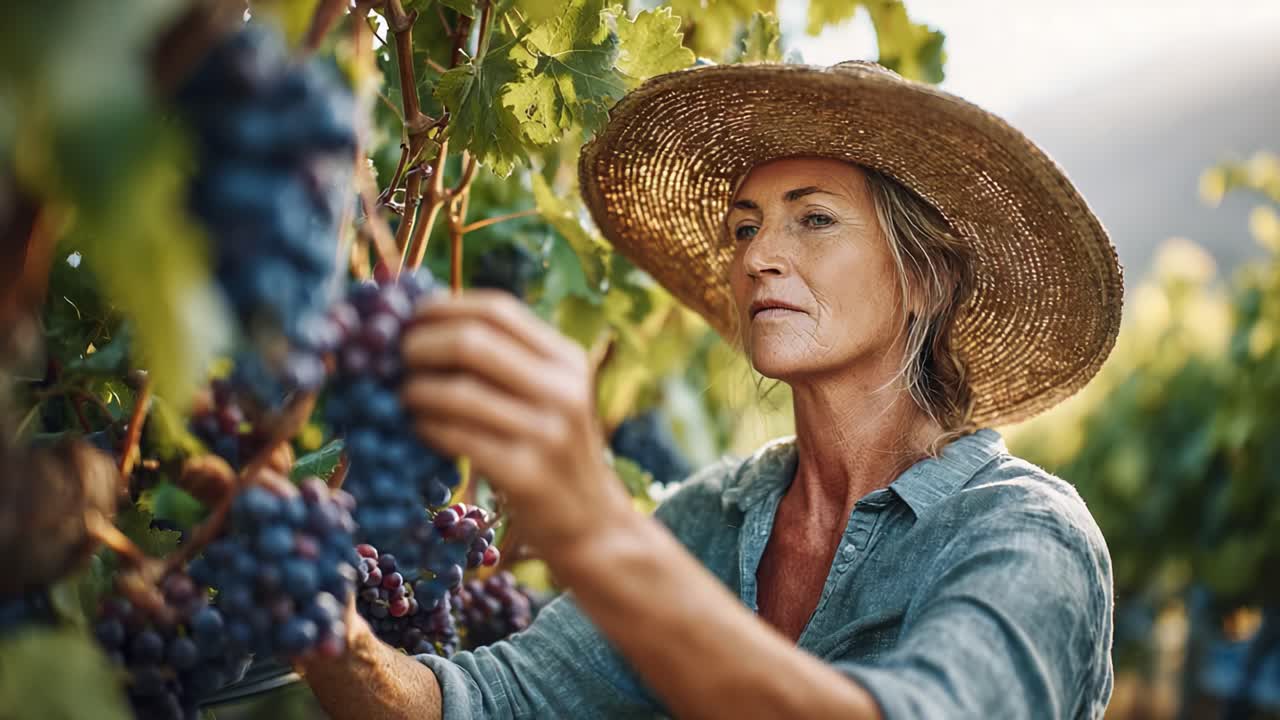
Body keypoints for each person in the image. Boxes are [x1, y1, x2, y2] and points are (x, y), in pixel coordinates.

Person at [299, 60, 1124, 719]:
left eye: (814, 218)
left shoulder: (1025, 537)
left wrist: (594, 529)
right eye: (743, 226)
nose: (758, 254)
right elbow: (488, 704)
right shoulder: (704, 521)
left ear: (925, 280)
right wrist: (317, 620)